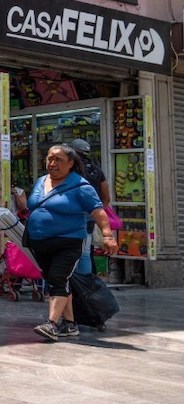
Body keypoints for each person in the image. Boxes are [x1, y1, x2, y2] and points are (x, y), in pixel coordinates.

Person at [24, 144, 118, 340]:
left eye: (58, 159)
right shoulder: (41, 181)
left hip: (68, 242)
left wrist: (108, 236)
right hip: (39, 242)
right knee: (58, 281)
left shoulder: (80, 185)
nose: (52, 163)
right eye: (50, 158)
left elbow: (99, 211)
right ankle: (70, 324)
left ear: (71, 163)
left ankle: (51, 324)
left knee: (58, 280)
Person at [70, 138, 112, 277]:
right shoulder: (97, 171)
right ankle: (86, 284)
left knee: (69, 252)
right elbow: (106, 198)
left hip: (72, 215)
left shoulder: (71, 172)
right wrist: (95, 212)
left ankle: (75, 282)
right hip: (90, 215)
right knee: (85, 251)